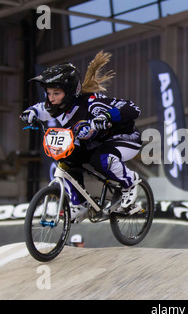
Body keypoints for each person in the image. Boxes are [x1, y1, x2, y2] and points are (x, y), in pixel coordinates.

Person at [21, 51, 142, 222]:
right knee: (65, 158)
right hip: (94, 143)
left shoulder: (92, 103)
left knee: (100, 159)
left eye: (56, 93)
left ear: (70, 91)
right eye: (49, 93)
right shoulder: (57, 106)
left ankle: (130, 182)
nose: (51, 98)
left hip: (124, 138)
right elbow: (40, 109)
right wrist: (30, 113)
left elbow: (133, 109)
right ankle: (80, 203)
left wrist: (105, 117)